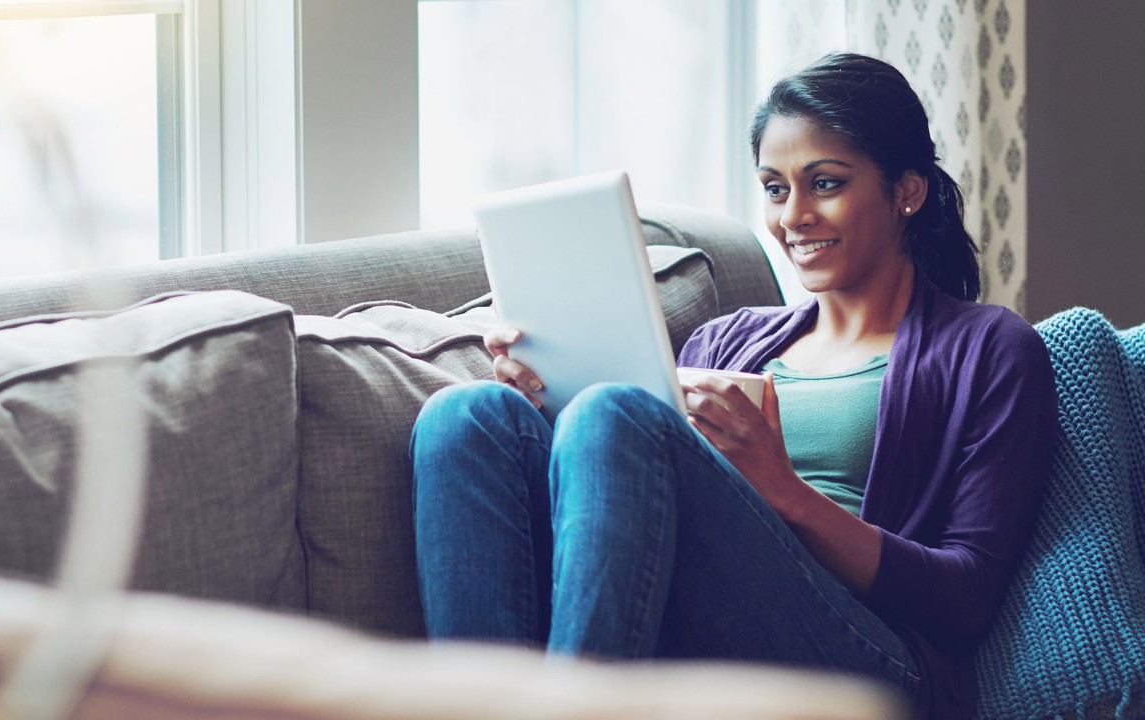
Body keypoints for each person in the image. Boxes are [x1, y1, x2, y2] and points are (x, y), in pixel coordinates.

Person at [409, 52, 1057, 720]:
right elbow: (627, 504)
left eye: (825, 183)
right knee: (465, 417)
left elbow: (966, 599)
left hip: (872, 654)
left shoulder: (990, 348)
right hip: (682, 614)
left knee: (614, 415)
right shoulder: (727, 340)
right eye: (776, 189)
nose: (794, 215)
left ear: (906, 191)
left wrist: (784, 490)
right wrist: (544, 406)